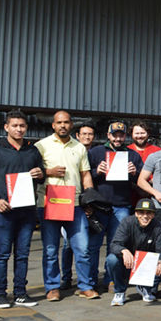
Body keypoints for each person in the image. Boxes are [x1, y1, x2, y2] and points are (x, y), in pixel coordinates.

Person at [0, 110, 44, 308]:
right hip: (4, 211)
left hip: (26, 210)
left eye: (22, 126)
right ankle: (0, 295)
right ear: (6, 127)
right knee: (2, 254)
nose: (19, 129)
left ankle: (20, 293)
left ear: (26, 128)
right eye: (15, 125)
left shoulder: (32, 150)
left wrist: (40, 173)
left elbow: (41, 176)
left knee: (23, 254)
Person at [35, 110, 97, 301]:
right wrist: (49, 171)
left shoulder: (79, 148)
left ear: (72, 125)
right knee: (51, 249)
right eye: (59, 122)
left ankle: (85, 286)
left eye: (66, 122)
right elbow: (33, 172)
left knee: (82, 247)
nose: (63, 125)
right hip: (48, 203)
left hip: (75, 204)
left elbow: (85, 174)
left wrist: (89, 199)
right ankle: (52, 287)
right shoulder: (41, 146)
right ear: (53, 125)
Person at [87, 121, 143, 291]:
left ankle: (111, 279)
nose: (118, 138)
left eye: (121, 135)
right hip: (99, 206)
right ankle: (90, 281)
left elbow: (141, 179)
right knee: (94, 245)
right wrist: (97, 171)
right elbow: (85, 175)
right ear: (108, 135)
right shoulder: (96, 152)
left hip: (121, 206)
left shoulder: (132, 155)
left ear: (125, 136)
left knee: (116, 244)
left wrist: (135, 173)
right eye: (115, 134)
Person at [106, 198, 161, 306]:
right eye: (141, 212)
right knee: (111, 259)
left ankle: (146, 287)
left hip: (148, 265)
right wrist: (124, 250)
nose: (145, 216)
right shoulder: (127, 222)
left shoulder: (160, 227)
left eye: (149, 213)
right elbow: (114, 244)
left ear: (153, 215)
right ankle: (120, 291)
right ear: (136, 213)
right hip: (128, 264)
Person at [61, 122, 95, 288]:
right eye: (84, 134)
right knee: (68, 244)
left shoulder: (96, 154)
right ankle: (66, 278)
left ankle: (87, 280)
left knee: (85, 246)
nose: (87, 137)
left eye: (90, 134)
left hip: (89, 203)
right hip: (68, 201)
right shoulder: (70, 151)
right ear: (78, 136)